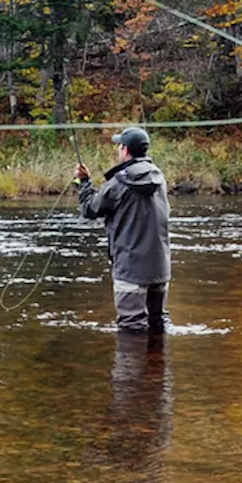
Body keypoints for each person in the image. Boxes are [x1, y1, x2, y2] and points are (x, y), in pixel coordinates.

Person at [75, 127, 171, 334]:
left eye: (120, 145)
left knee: (131, 329)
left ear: (125, 150)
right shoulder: (159, 178)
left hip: (131, 268)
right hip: (160, 269)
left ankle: (131, 367)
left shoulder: (119, 182)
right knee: (158, 324)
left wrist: (84, 182)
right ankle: (159, 365)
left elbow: (90, 209)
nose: (118, 149)